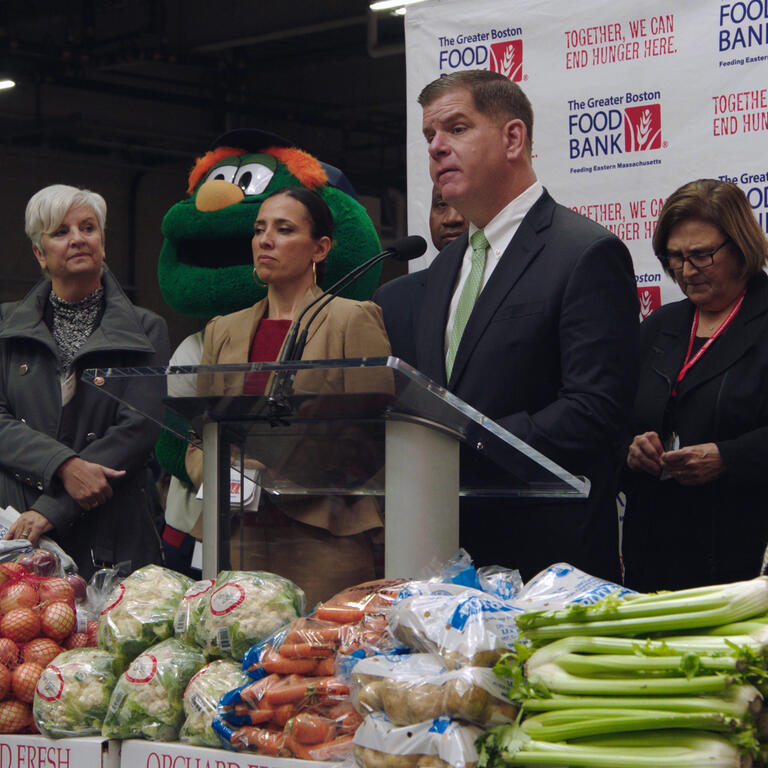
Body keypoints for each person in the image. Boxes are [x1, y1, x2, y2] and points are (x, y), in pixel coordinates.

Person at [415, 69, 639, 582]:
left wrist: (464, 446)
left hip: (549, 564)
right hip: (446, 555)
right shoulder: (445, 267)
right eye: (430, 135)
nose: (436, 147)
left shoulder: (585, 252)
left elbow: (594, 409)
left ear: (513, 138)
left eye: (456, 128)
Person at [184, 186, 392, 606]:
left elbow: (379, 434)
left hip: (324, 536)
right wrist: (222, 468)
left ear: (320, 249)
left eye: (284, 229)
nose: (265, 239)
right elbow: (199, 437)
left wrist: (288, 471)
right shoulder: (223, 329)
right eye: (260, 229)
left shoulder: (353, 318)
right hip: (236, 536)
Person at [0, 184, 170, 578]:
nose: (77, 238)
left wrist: (52, 509)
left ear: (103, 243)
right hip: (18, 531)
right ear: (40, 254)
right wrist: (62, 465)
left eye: (88, 228)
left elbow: (138, 430)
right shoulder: (4, 328)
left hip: (112, 531)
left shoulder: (148, 329)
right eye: (60, 232)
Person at [621, 179, 768, 592]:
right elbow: (615, 424)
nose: (686, 271)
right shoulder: (659, 328)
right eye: (676, 257)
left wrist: (729, 457)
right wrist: (632, 451)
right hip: (650, 557)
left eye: (702, 255)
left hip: (741, 562)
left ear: (740, 247)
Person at [374, 185, 468, 366]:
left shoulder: (510, 286)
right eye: (441, 205)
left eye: (463, 203)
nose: (451, 219)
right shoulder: (390, 299)